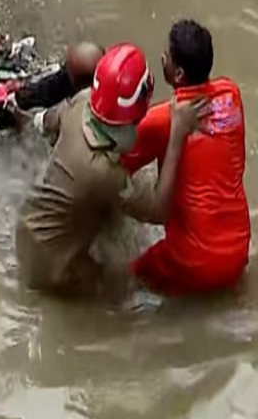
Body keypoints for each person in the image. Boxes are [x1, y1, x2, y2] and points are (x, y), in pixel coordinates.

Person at [14, 43, 166, 296]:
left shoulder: (81, 104)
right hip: (52, 267)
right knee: (125, 289)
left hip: (28, 231)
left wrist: (26, 117)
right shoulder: (106, 174)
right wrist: (177, 135)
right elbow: (158, 210)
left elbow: (48, 121)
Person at [120, 20, 250, 295]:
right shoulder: (232, 93)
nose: (162, 57)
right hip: (239, 251)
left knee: (124, 279)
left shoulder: (160, 120)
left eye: (166, 56)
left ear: (177, 74)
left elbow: (113, 166)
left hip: (194, 261)